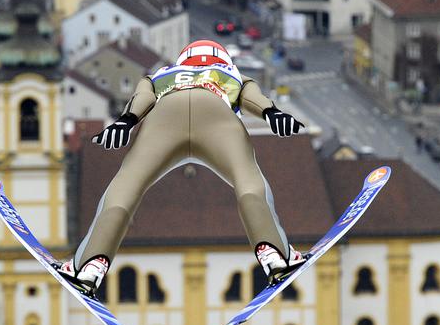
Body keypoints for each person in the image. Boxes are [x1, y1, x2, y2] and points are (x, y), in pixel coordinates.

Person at [57, 39, 307, 297]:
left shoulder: (161, 74)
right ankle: (274, 253)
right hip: (215, 114)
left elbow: (143, 97)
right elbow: (252, 98)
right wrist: (272, 113)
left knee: (126, 185)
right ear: (222, 59)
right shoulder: (230, 73)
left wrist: (126, 121)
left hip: (164, 117)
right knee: (248, 181)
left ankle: (90, 265)